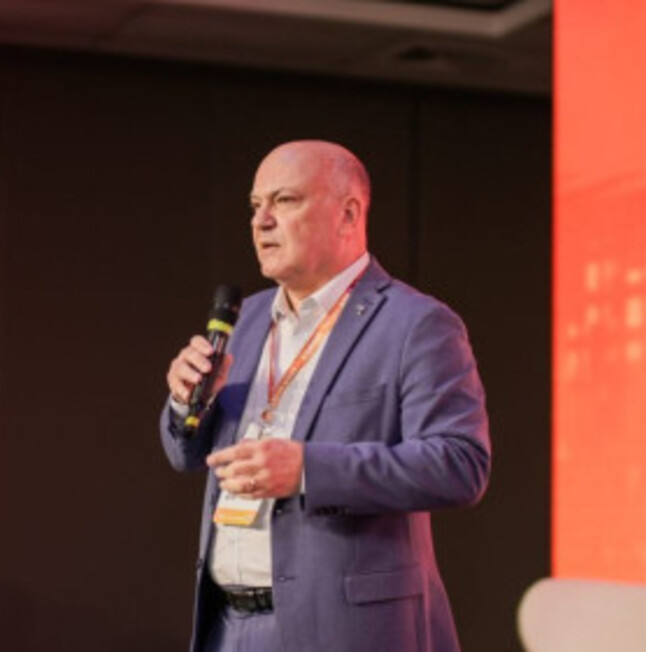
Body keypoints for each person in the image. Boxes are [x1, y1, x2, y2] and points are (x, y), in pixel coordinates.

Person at [161, 140, 490, 652]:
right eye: (255, 205)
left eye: (285, 200)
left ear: (348, 214)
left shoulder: (416, 324)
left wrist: (309, 470)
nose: (261, 221)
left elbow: (459, 464)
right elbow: (185, 455)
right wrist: (186, 403)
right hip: (228, 627)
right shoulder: (246, 320)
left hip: (344, 630)